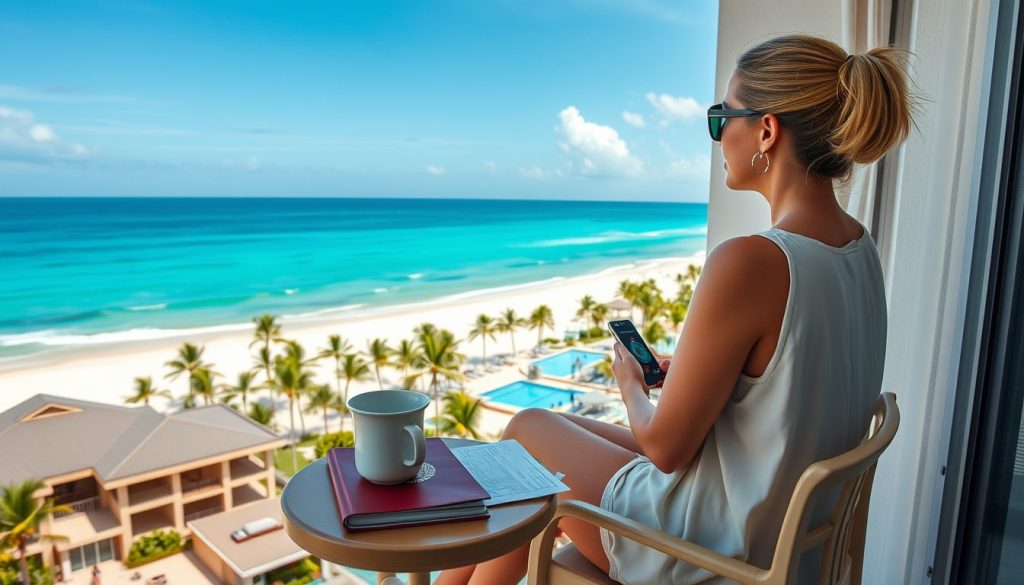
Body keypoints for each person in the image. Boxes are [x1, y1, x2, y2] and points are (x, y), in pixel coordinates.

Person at [436, 33, 920, 585]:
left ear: (766, 130)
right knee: (535, 450)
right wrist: (695, 373)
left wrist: (630, 384)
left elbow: (665, 448)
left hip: (715, 550)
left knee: (525, 430)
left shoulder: (753, 261)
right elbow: (786, 386)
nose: (717, 136)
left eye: (721, 118)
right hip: (776, 531)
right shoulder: (859, 251)